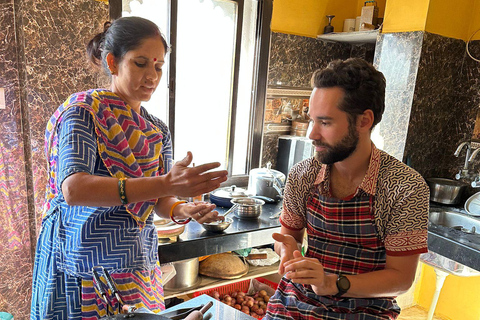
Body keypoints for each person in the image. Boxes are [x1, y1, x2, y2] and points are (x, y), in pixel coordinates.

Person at [30, 17, 228, 319]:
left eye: (158, 67)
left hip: (135, 263)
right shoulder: (83, 113)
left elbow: (160, 202)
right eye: (140, 63)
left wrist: (182, 210)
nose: (152, 76)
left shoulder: (157, 129)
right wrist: (166, 183)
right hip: (81, 263)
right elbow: (74, 189)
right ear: (112, 62)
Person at [266, 58, 430, 320]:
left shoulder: (404, 187)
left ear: (364, 120)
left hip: (366, 309)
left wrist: (332, 283)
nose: (312, 134)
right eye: (311, 120)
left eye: (325, 122)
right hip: (296, 302)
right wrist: (287, 250)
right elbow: (291, 239)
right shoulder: (303, 175)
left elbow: (401, 280)